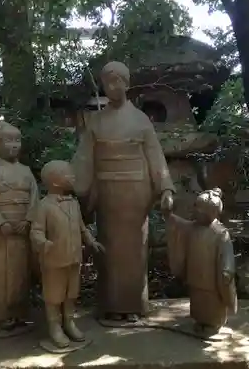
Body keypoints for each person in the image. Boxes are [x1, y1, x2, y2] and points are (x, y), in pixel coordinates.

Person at [72, 61, 176, 322]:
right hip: (107, 194)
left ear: (127, 84)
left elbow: (155, 155)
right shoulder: (95, 121)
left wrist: (165, 187)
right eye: (108, 82)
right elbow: (84, 158)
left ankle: (134, 305)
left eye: (118, 81)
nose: (113, 86)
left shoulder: (140, 120)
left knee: (135, 250)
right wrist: (72, 183)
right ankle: (110, 305)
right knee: (109, 249)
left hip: (135, 193)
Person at [0, 122, 39, 336]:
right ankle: (0, 317)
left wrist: (29, 220)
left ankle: (20, 314)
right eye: (8, 140)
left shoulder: (26, 171)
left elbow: (34, 199)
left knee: (20, 274)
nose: (14, 145)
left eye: (17, 140)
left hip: (21, 231)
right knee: (0, 276)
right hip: (0, 233)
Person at [31, 160, 104, 348]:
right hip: (53, 260)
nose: (73, 177)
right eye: (69, 174)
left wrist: (91, 241)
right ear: (55, 181)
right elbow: (36, 231)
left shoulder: (74, 203)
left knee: (72, 293)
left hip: (73, 258)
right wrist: (45, 244)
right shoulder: (44, 206)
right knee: (54, 295)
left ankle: (69, 322)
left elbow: (81, 228)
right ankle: (54, 326)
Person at [165, 188, 237, 336]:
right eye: (196, 210)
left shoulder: (221, 233)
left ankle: (213, 324)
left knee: (213, 303)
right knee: (198, 301)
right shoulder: (193, 227)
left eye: (200, 212)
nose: (195, 213)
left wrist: (227, 269)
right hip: (196, 275)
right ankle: (200, 322)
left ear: (212, 213)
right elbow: (180, 225)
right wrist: (169, 216)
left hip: (212, 280)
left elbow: (227, 254)